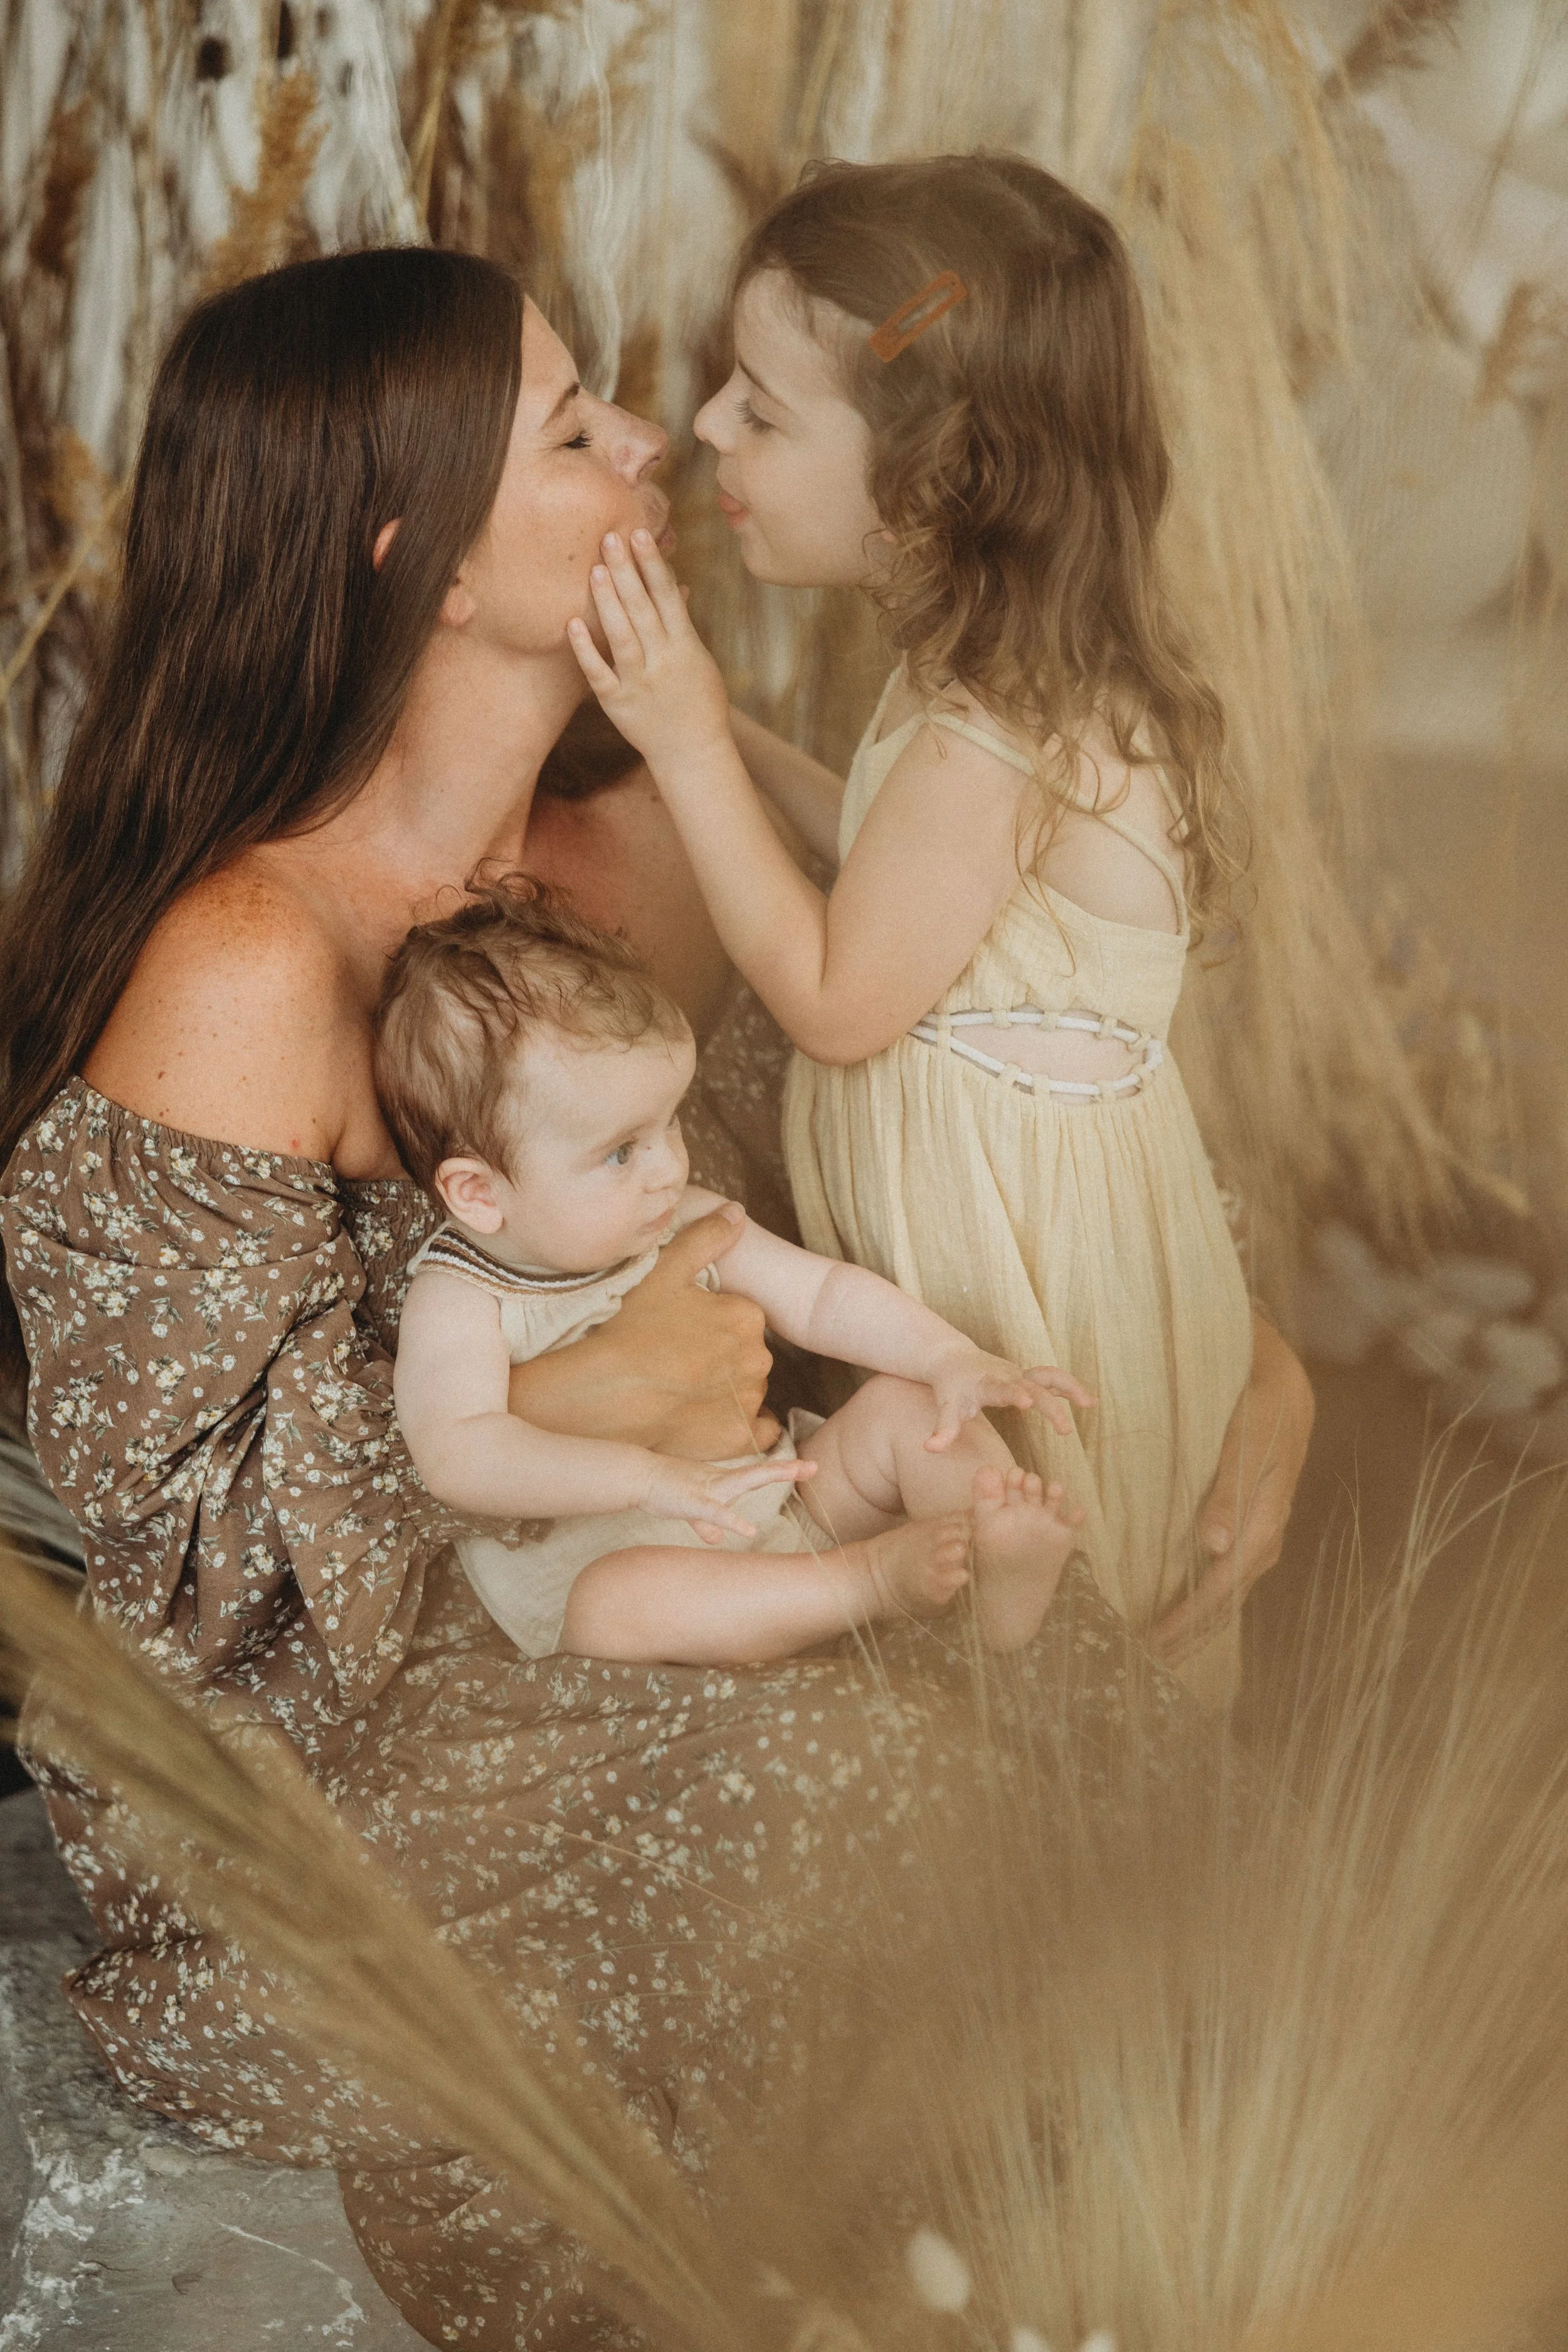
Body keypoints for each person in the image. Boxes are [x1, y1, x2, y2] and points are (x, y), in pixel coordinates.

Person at [0, 245, 1311, 2346]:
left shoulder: (656, 846)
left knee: (1064, 1697)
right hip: (350, 1780)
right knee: (867, 1787)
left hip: (683, 1569)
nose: (657, 442)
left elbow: (981, 1116)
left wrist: (1253, 1352)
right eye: (575, 426)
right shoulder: (247, 962)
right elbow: (190, 1595)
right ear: (408, 547)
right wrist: (594, 1392)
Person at [566, 154, 1259, 1708]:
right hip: (999, 1263)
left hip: (1039, 1293)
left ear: (930, 476)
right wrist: (728, 726)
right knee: (1006, 1636)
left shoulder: (1007, 724)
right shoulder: (987, 677)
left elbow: (833, 991)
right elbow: (882, 861)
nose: (708, 433)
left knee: (1073, 1666)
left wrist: (684, 743)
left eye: (762, 406)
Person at [378, 882, 1089, 1664]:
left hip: (780, 1513)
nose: (667, 1167)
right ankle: (867, 1585)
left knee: (910, 1409)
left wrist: (947, 1356)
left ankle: (997, 1578)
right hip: (630, 1576)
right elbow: (459, 1454)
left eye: (670, 1122)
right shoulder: (460, 1295)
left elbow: (822, 1296)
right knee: (618, 1602)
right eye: (621, 1150)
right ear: (478, 1194)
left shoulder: (678, 1216)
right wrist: (645, 1480)